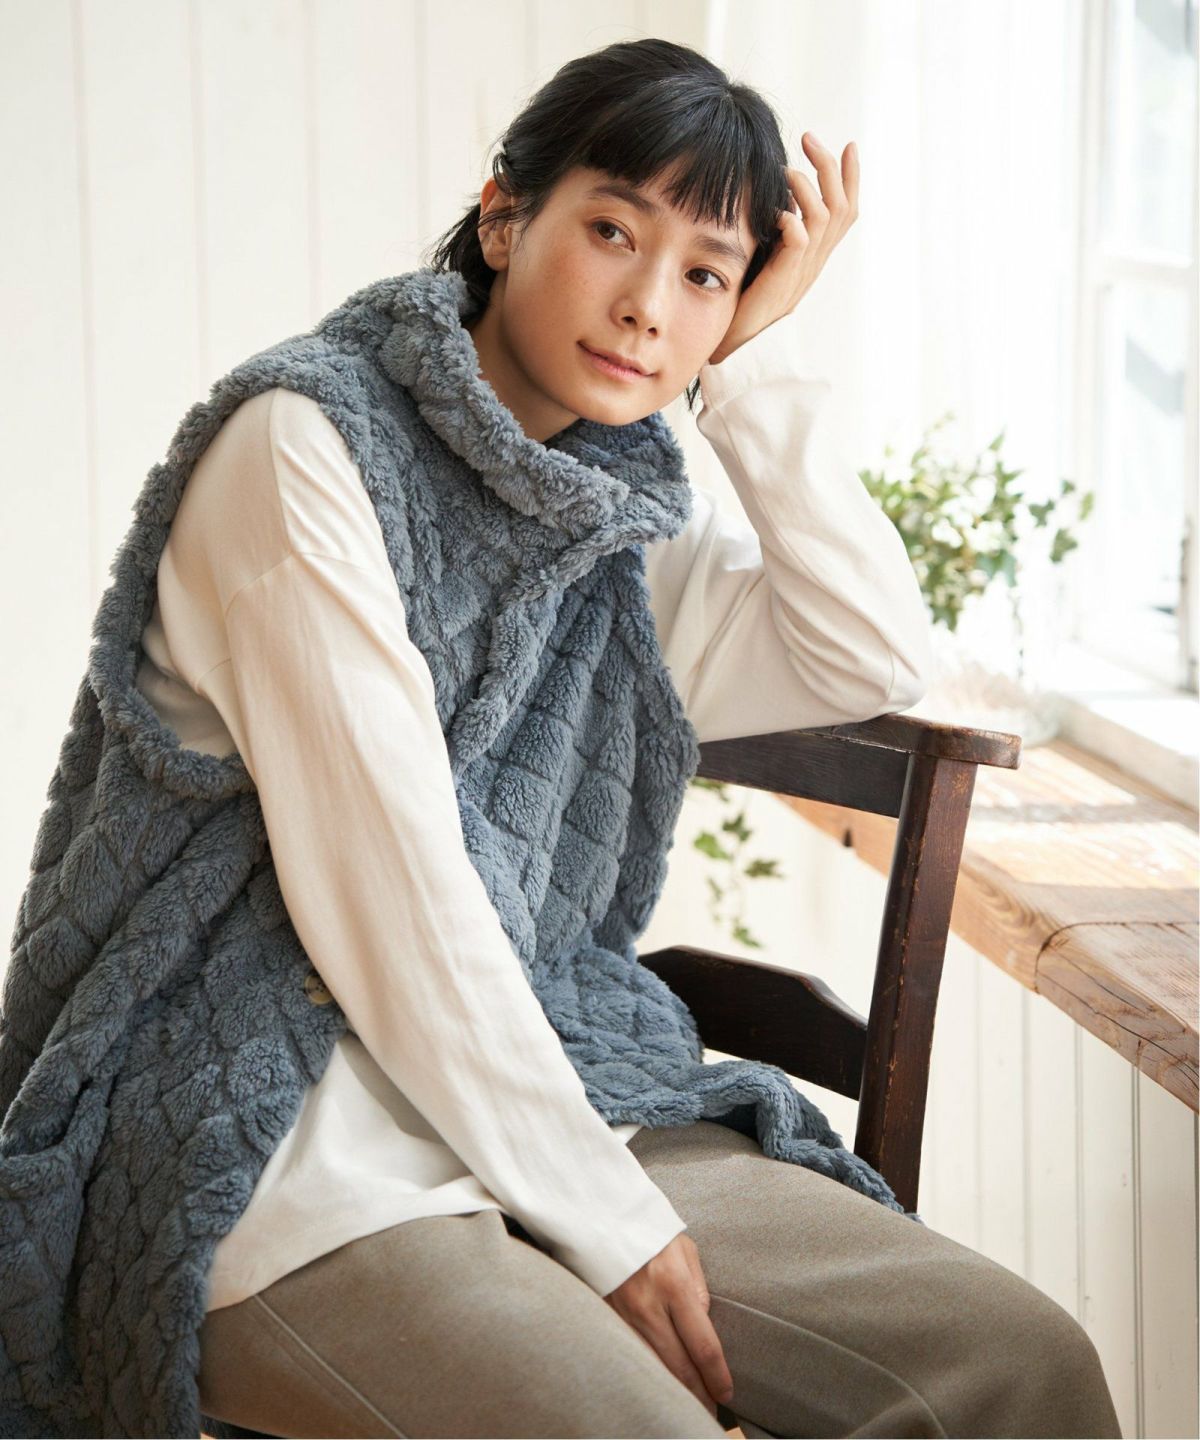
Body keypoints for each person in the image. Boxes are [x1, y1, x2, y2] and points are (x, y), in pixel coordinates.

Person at [0, 36, 1121, 1440]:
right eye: (613, 232)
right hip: (273, 1137)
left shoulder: (613, 511)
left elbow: (867, 651)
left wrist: (745, 370)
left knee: (1020, 1364)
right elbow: (394, 900)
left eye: (705, 275)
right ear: (503, 217)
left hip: (564, 1084)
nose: (649, 305)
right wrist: (610, 1223)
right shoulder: (300, 448)